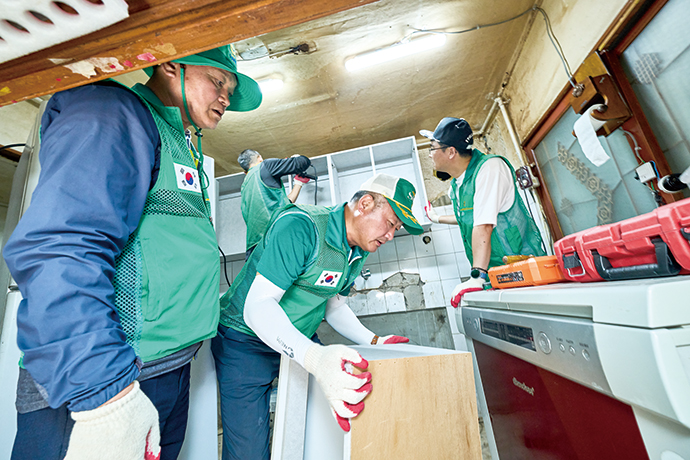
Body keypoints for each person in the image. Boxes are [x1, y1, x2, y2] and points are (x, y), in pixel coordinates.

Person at [2, 44, 262, 460]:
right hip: (107, 377)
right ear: (170, 63)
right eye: (217, 81)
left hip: (167, 368)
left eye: (229, 87)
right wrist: (104, 395)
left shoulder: (180, 141)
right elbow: (63, 249)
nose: (226, 97)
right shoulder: (112, 113)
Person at [212, 173, 424, 460]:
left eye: (396, 229)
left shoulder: (358, 248)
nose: (390, 235)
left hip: (299, 337)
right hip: (245, 341)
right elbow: (257, 307)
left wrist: (375, 341)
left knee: (321, 428)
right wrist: (314, 357)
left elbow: (333, 305)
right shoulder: (301, 227)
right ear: (364, 203)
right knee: (248, 450)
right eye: (390, 223)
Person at [421, 117, 545, 307]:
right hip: (497, 277)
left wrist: (477, 276)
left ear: (451, 152)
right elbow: (468, 217)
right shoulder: (458, 183)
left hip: (522, 273)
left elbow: (484, 224)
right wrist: (436, 218)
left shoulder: (489, 168)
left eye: (433, 148)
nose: (430, 154)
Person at [238, 149, 312, 259]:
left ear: (245, 172)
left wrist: (298, 183)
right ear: (260, 158)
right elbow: (303, 163)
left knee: (261, 276)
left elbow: (283, 205)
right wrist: (294, 159)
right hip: (276, 237)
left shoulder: (244, 188)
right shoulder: (265, 166)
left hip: (254, 248)